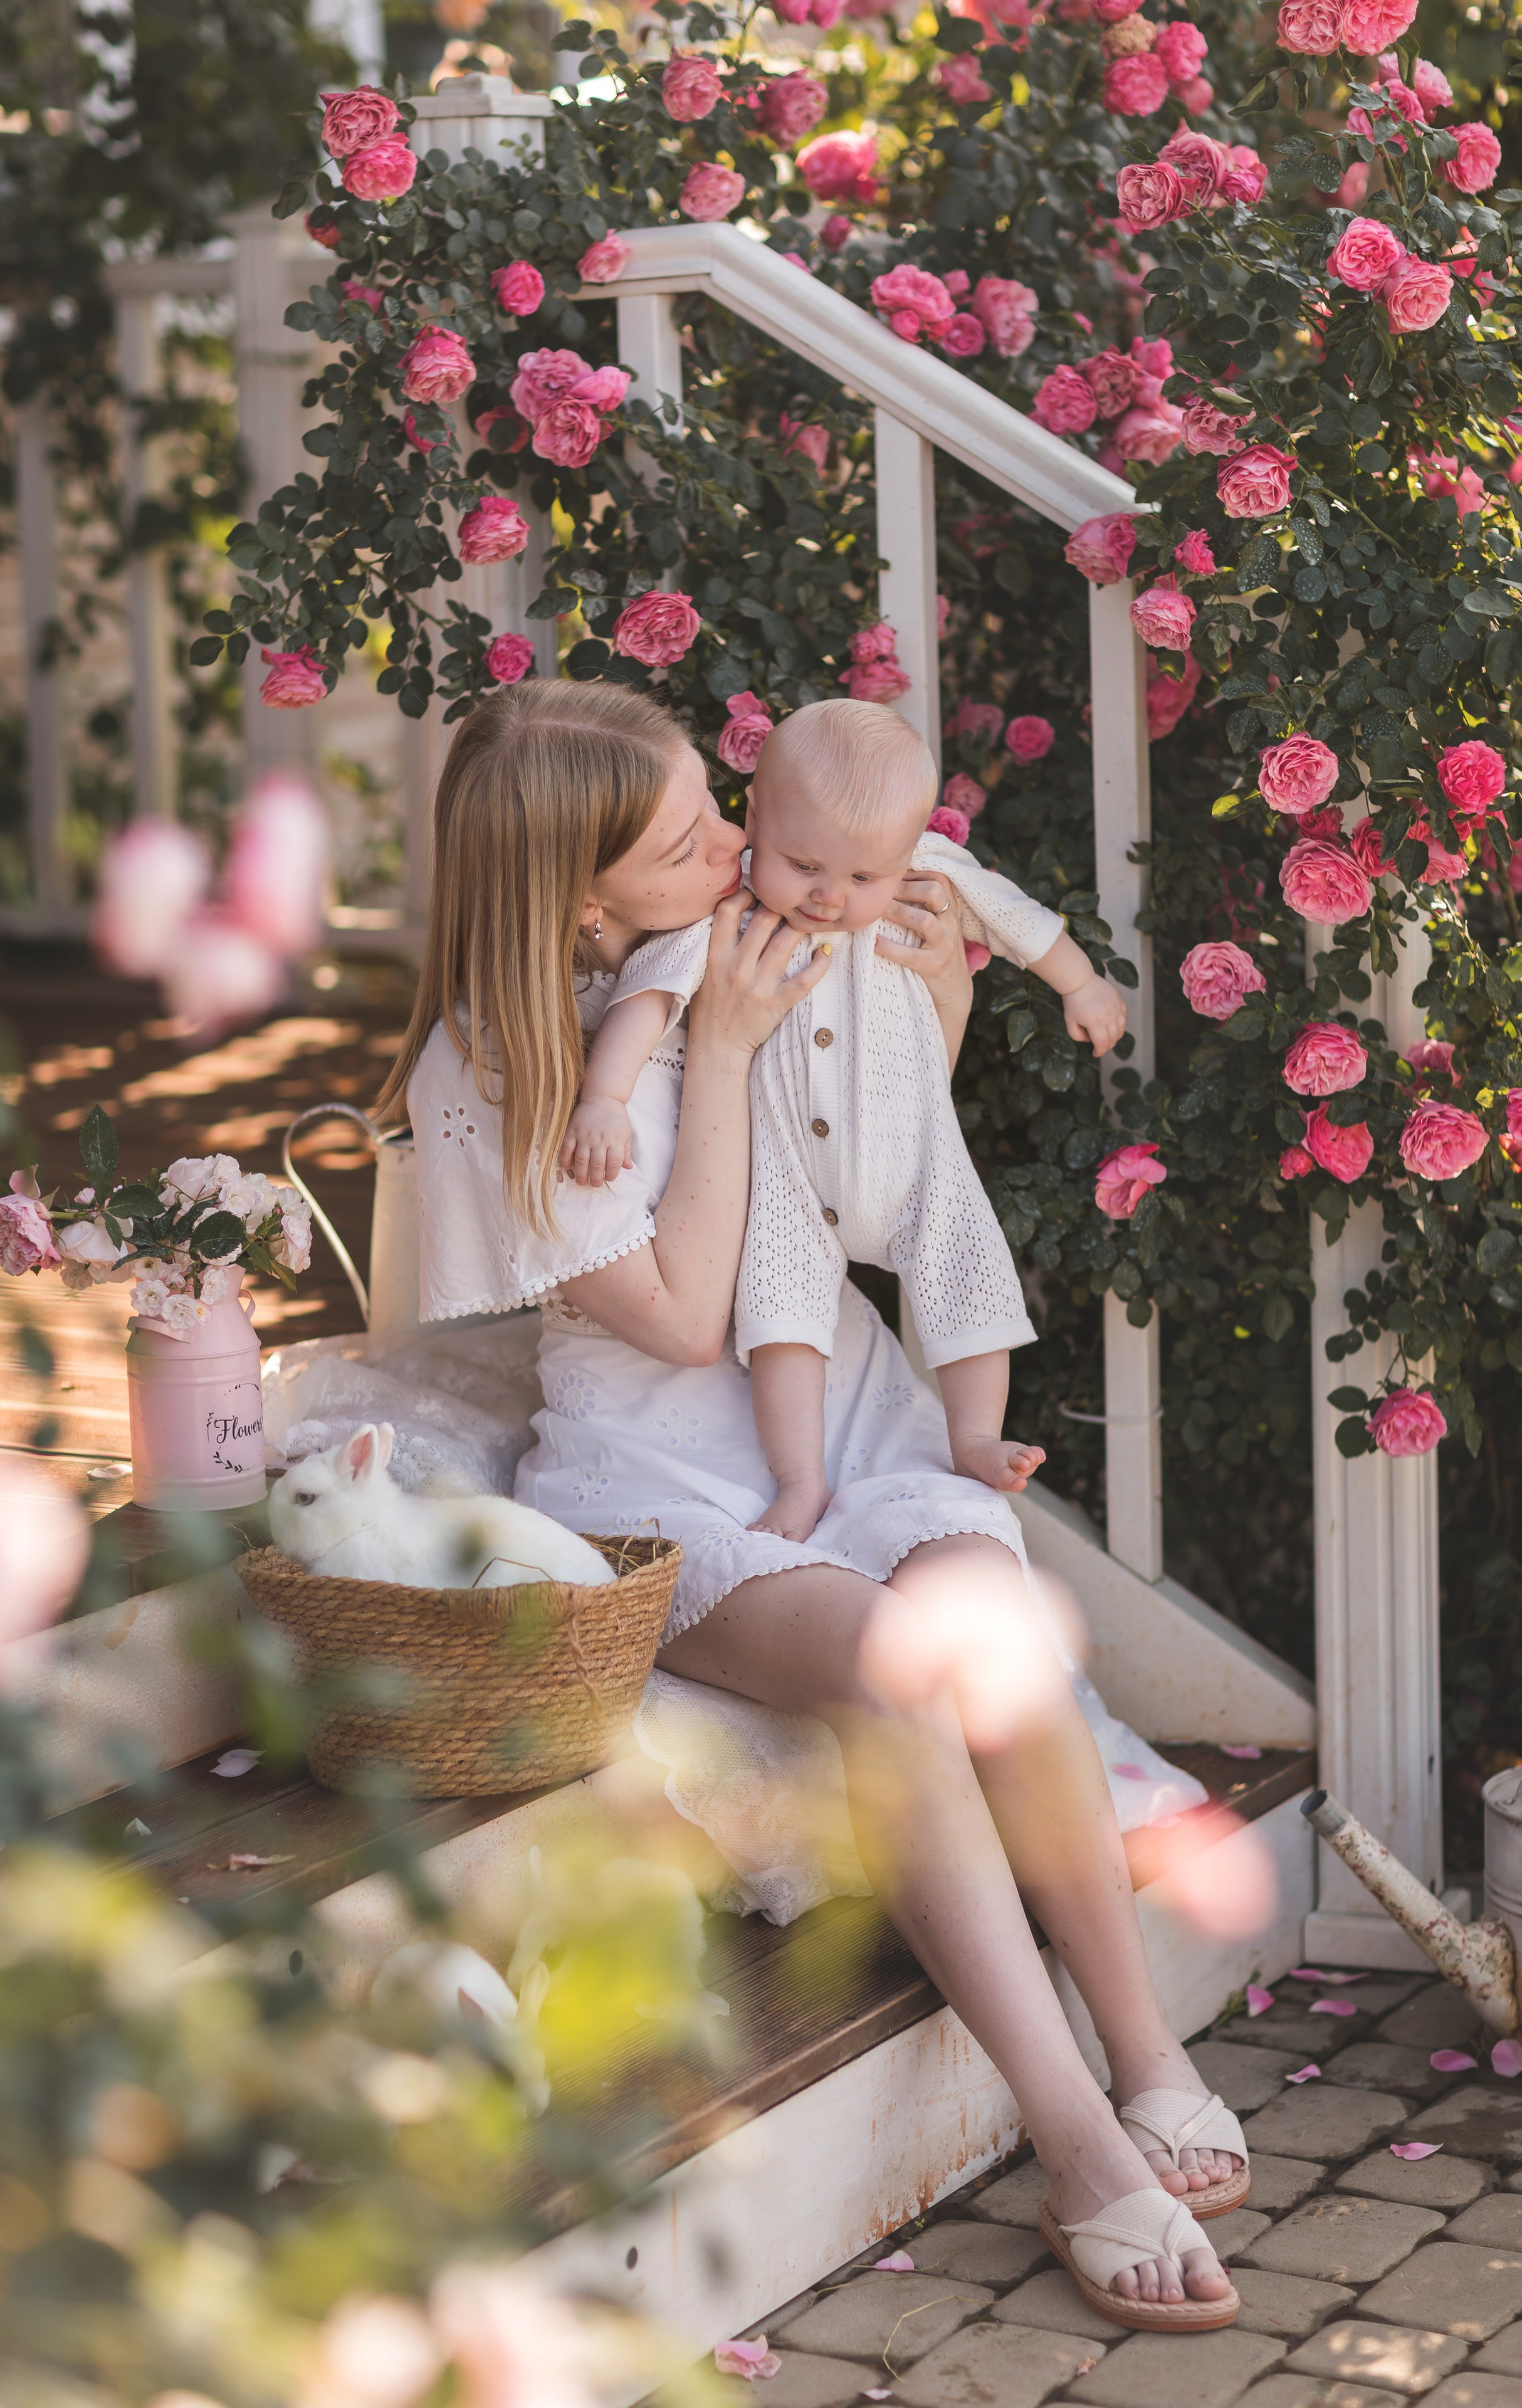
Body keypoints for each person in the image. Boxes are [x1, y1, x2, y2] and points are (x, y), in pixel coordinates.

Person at [377, 680, 1248, 2332]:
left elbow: (871, 1165)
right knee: (896, 1667)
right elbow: (692, 1315)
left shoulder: (744, 933)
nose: (734, 842)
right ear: (580, 899)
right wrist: (724, 1049)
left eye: (717, 804)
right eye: (688, 836)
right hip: (667, 1468)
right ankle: (1078, 2141)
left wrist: (931, 1012)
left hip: (840, 1400)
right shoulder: (489, 1063)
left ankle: (1149, 2053)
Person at [557, 698, 1125, 1542]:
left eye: (865, 878)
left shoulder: (920, 876)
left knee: (965, 1271)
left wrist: (1079, 982)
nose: (829, 896)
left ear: (907, 851)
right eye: (804, 864)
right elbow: (648, 999)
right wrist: (602, 1097)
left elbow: (1015, 920)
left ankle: (971, 1435)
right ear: (757, 818)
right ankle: (801, 1480)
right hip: (790, 1177)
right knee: (780, 1316)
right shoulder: (733, 917)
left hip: (917, 1156)